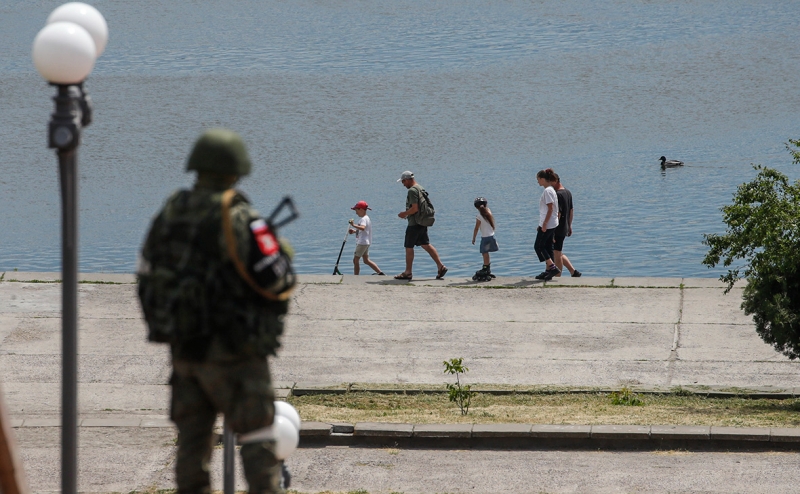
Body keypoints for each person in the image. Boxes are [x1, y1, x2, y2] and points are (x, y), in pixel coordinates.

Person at [137, 129, 296, 494]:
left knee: (192, 444)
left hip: (185, 349)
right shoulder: (240, 216)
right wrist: (282, 249)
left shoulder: (171, 211)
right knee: (258, 436)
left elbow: (146, 272)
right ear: (236, 169)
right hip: (235, 352)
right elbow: (276, 279)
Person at [395, 171, 447, 281]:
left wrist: (404, 214)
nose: (403, 184)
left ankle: (408, 272)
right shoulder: (420, 188)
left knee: (409, 247)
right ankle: (440, 266)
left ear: (408, 179)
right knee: (425, 244)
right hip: (422, 222)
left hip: (414, 223)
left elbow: (415, 208)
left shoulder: (412, 191)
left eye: (403, 181)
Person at [534, 168, 560, 280]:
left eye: (538, 179)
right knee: (548, 246)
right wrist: (541, 224)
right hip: (551, 223)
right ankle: (548, 270)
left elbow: (550, 208)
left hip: (548, 224)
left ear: (543, 179)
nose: (537, 182)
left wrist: (544, 224)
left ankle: (552, 267)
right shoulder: (551, 190)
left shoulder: (548, 191)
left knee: (539, 246)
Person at [553, 174, 581, 277]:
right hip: (565, 226)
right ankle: (573, 272)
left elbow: (558, 214)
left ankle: (558, 276)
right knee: (557, 252)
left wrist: (553, 230)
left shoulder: (557, 194)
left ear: (555, 181)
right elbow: (571, 210)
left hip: (558, 228)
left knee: (556, 253)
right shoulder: (568, 192)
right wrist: (569, 225)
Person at [348, 200, 384, 275]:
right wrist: (354, 231)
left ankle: (356, 276)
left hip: (362, 242)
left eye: (356, 210)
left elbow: (363, 228)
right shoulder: (366, 218)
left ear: (361, 209)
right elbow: (363, 230)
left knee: (355, 260)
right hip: (366, 242)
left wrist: (353, 225)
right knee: (366, 260)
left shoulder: (363, 219)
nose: (356, 212)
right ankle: (380, 273)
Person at [471, 197, 498, 281]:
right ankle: (487, 267)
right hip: (492, 236)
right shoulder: (489, 212)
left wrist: (474, 238)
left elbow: (476, 228)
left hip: (485, 238)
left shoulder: (479, 216)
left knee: (484, 253)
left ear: (476, 207)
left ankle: (485, 268)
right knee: (486, 253)